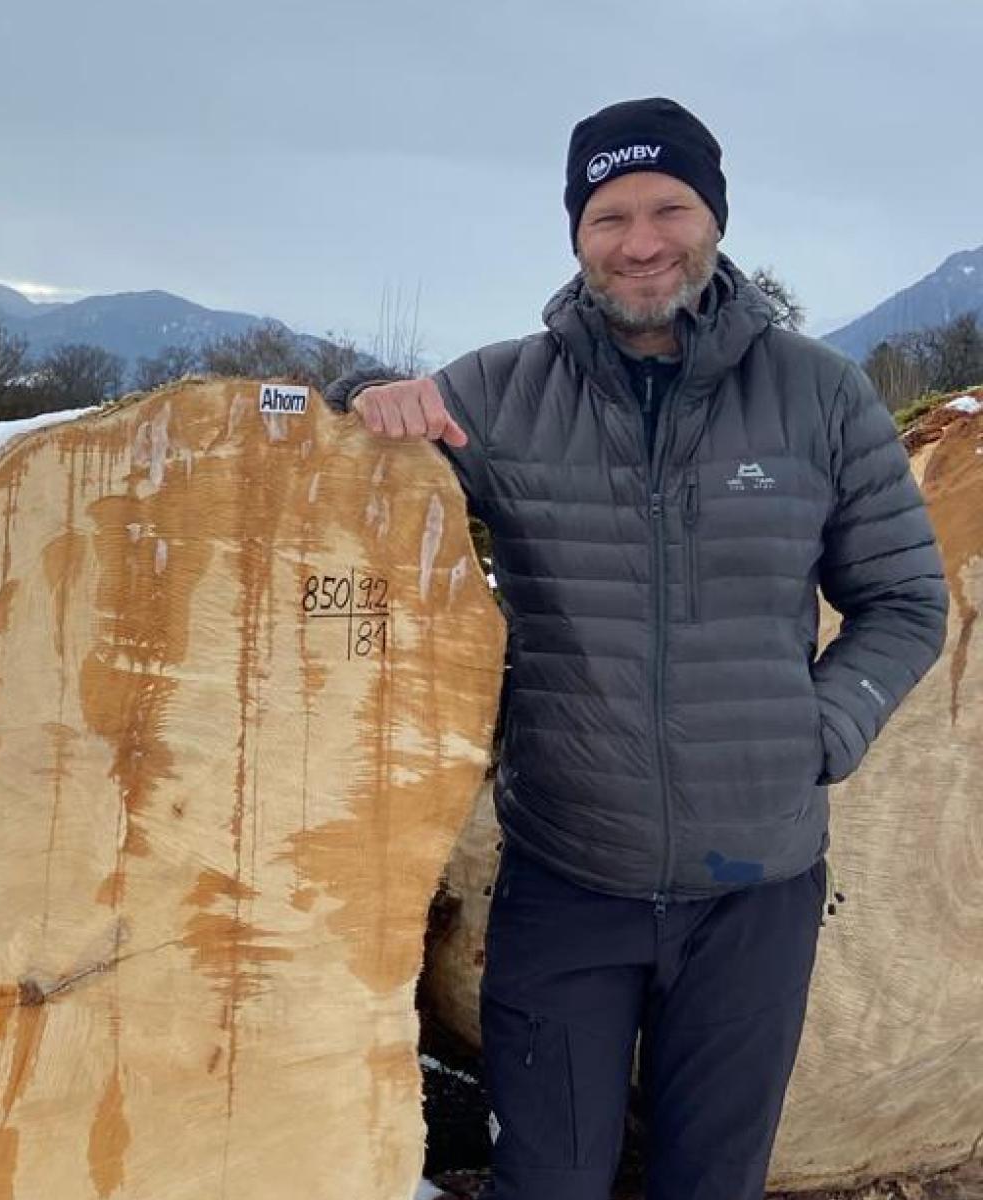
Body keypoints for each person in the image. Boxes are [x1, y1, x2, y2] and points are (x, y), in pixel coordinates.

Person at [331, 97, 947, 1199]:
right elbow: (356, 468)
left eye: (669, 206)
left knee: (710, 1181)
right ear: (577, 233)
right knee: (550, 1181)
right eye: (610, 214)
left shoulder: (819, 394)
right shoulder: (497, 393)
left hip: (758, 888)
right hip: (571, 874)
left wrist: (819, 730)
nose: (642, 240)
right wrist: (359, 403)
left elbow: (903, 598)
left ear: (714, 216)